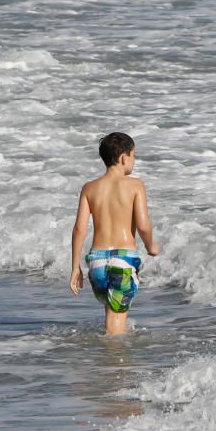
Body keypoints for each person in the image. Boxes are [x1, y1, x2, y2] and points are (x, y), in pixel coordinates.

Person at [69, 132, 161, 335]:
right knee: (116, 324)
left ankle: (108, 361)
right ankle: (113, 363)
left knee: (111, 312)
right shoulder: (135, 185)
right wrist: (151, 246)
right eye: (134, 156)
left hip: (97, 262)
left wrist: (75, 268)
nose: (134, 161)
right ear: (123, 157)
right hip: (123, 259)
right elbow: (144, 225)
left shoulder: (90, 188)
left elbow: (79, 229)